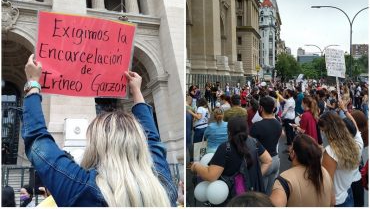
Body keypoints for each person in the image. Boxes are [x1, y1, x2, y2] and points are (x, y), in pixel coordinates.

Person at [22, 54, 176, 206]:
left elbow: (37, 140)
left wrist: (33, 82)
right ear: (140, 142)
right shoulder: (162, 181)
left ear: (95, 146)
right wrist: (136, 91)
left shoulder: (81, 189)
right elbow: (153, 140)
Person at [191, 116, 272, 202]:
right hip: (252, 194)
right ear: (246, 129)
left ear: (229, 131)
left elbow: (211, 176)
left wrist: (196, 166)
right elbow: (268, 160)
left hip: (232, 197)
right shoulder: (254, 142)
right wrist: (254, 177)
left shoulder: (224, 148)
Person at [270, 134, 333, 206]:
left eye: (292, 146)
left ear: (293, 153)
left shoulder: (285, 180)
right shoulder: (324, 172)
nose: (289, 148)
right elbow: (332, 202)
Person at [319, 111, 363, 207]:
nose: (322, 134)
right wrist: (345, 110)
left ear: (329, 132)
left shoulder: (331, 152)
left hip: (336, 200)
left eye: (323, 131)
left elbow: (326, 182)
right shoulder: (357, 144)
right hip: (347, 193)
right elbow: (354, 126)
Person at [250, 96, 282, 195]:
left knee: (260, 194)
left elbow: (250, 145)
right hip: (276, 160)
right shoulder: (278, 124)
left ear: (261, 108)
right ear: (273, 108)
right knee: (270, 192)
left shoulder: (257, 126)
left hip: (263, 162)